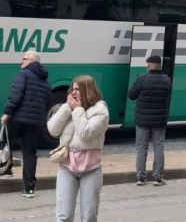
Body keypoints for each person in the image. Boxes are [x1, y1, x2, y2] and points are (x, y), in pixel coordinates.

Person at [47, 75, 109, 222]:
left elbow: (85, 133)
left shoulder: (101, 110)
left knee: (88, 216)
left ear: (88, 91)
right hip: (67, 167)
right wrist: (66, 108)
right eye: (72, 89)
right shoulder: (69, 107)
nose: (73, 93)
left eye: (78, 89)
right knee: (64, 215)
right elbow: (52, 130)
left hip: (91, 169)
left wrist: (77, 110)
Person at [1, 50, 51, 198]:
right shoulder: (46, 81)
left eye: (24, 58)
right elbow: (47, 102)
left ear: (32, 61)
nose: (21, 61)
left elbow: (15, 95)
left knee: (4, 141)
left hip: (17, 119)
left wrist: (7, 113)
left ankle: (6, 169)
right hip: (35, 123)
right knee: (29, 154)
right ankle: (29, 189)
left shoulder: (23, 75)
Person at [127, 54, 172, 186]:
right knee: (158, 146)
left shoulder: (142, 79)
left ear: (149, 65)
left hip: (142, 120)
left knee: (141, 148)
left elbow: (131, 95)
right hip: (159, 119)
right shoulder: (166, 80)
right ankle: (158, 177)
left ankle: (141, 177)